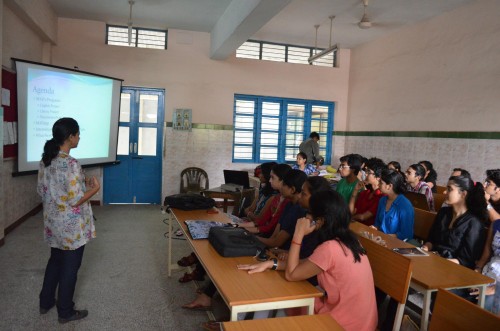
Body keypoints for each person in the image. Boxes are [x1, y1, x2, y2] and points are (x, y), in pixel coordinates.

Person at [285, 190, 377, 331]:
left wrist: (298, 234)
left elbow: (291, 275)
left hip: (344, 324)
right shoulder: (351, 240)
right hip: (363, 322)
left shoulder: (329, 248)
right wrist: (274, 264)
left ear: (319, 221)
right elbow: (309, 264)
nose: (305, 218)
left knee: (291, 302)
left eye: (309, 214)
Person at [37, 118, 100, 324]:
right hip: (70, 227)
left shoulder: (46, 160)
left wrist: (84, 183)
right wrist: (94, 189)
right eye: (78, 134)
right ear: (70, 137)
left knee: (55, 260)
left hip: (53, 223)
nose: (79, 137)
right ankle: (65, 311)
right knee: (70, 268)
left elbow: (43, 191)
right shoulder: (71, 164)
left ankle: (45, 301)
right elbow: (75, 199)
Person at [422, 175, 487, 302]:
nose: (445, 192)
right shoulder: (444, 213)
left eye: (449, 189)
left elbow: (466, 261)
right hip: (435, 261)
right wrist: (426, 247)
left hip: (455, 271)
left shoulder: (473, 223)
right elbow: (431, 239)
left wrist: (438, 262)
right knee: (404, 271)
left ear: (463, 194)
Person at [257, 169, 308, 249]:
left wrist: (252, 238)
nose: (281, 187)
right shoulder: (289, 205)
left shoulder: (299, 211)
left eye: (283, 184)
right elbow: (273, 238)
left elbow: (276, 242)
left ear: (292, 190)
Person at [238, 164, 291, 236]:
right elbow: (261, 222)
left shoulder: (284, 201)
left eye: (272, 177)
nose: (269, 180)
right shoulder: (276, 198)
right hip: (261, 231)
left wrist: (244, 229)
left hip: (265, 236)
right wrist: (239, 226)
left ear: (283, 180)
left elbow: (268, 229)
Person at [373, 169, 414, 241]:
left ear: (389, 186)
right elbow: (377, 223)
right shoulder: (382, 200)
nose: (378, 184)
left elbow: (406, 234)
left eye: (381, 182)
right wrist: (374, 228)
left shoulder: (405, 206)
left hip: (396, 244)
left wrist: (385, 237)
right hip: (380, 240)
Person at [349, 158, 387, 226]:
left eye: (368, 172)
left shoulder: (382, 197)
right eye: (365, 171)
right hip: (356, 226)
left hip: (368, 231)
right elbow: (352, 211)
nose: (365, 174)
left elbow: (363, 217)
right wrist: (355, 191)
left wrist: (349, 218)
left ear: (378, 177)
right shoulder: (365, 193)